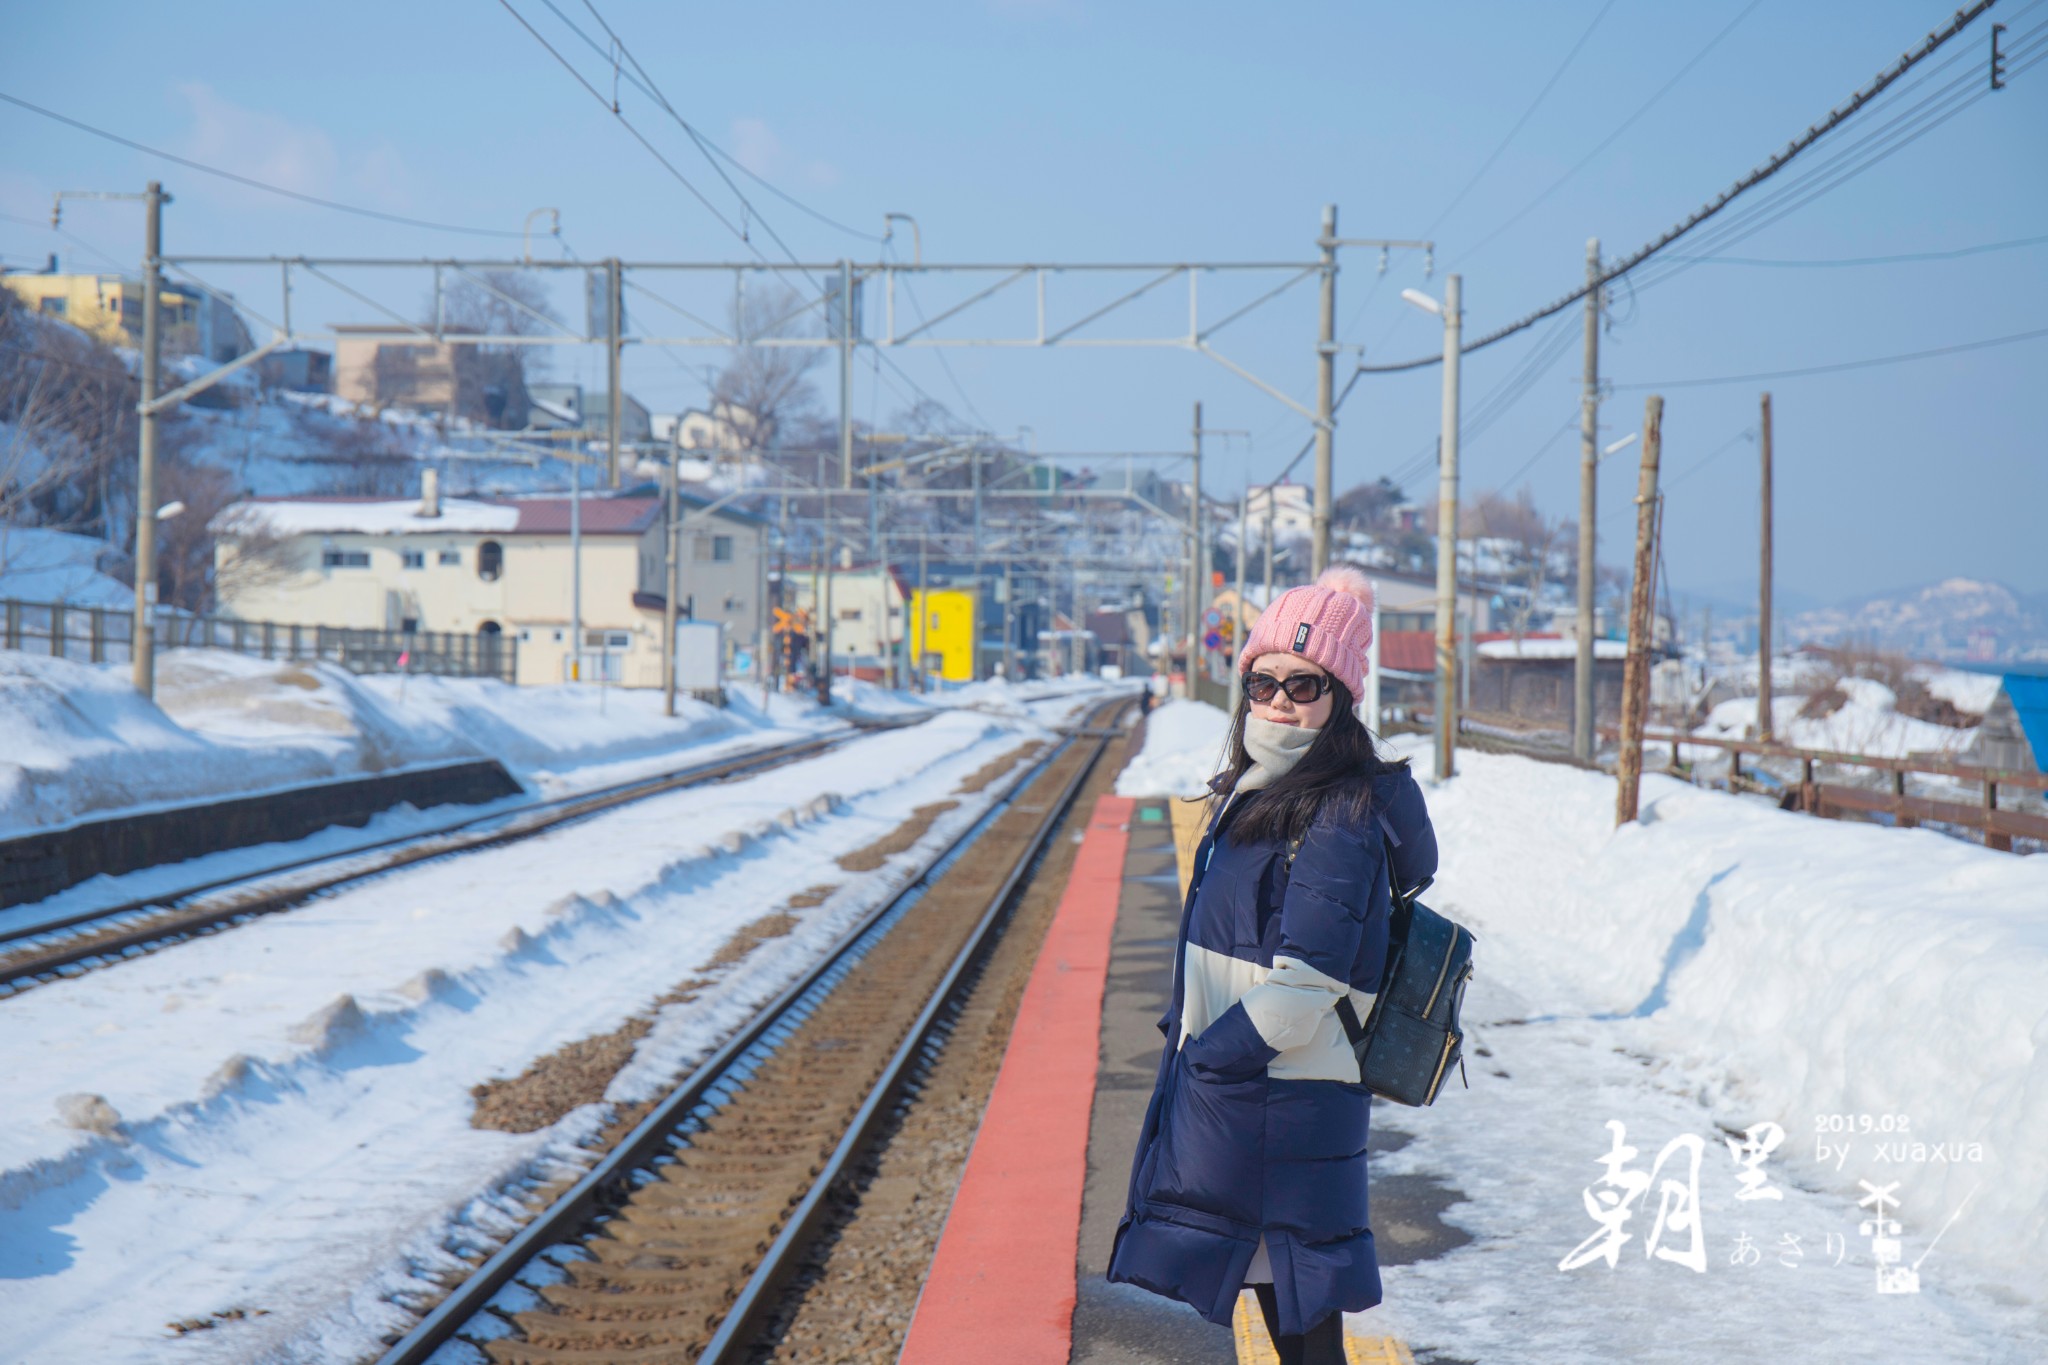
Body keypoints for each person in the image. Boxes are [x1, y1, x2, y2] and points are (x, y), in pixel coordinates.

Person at [1107, 566, 1438, 1364]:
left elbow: (1307, 981)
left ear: (1342, 696)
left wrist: (1214, 1053)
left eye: (1305, 682)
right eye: (1264, 681)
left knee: (1294, 1300)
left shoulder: (1338, 811)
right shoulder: (1261, 786)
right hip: (1259, 1097)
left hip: (1272, 1097)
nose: (1280, 699)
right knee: (1289, 1303)